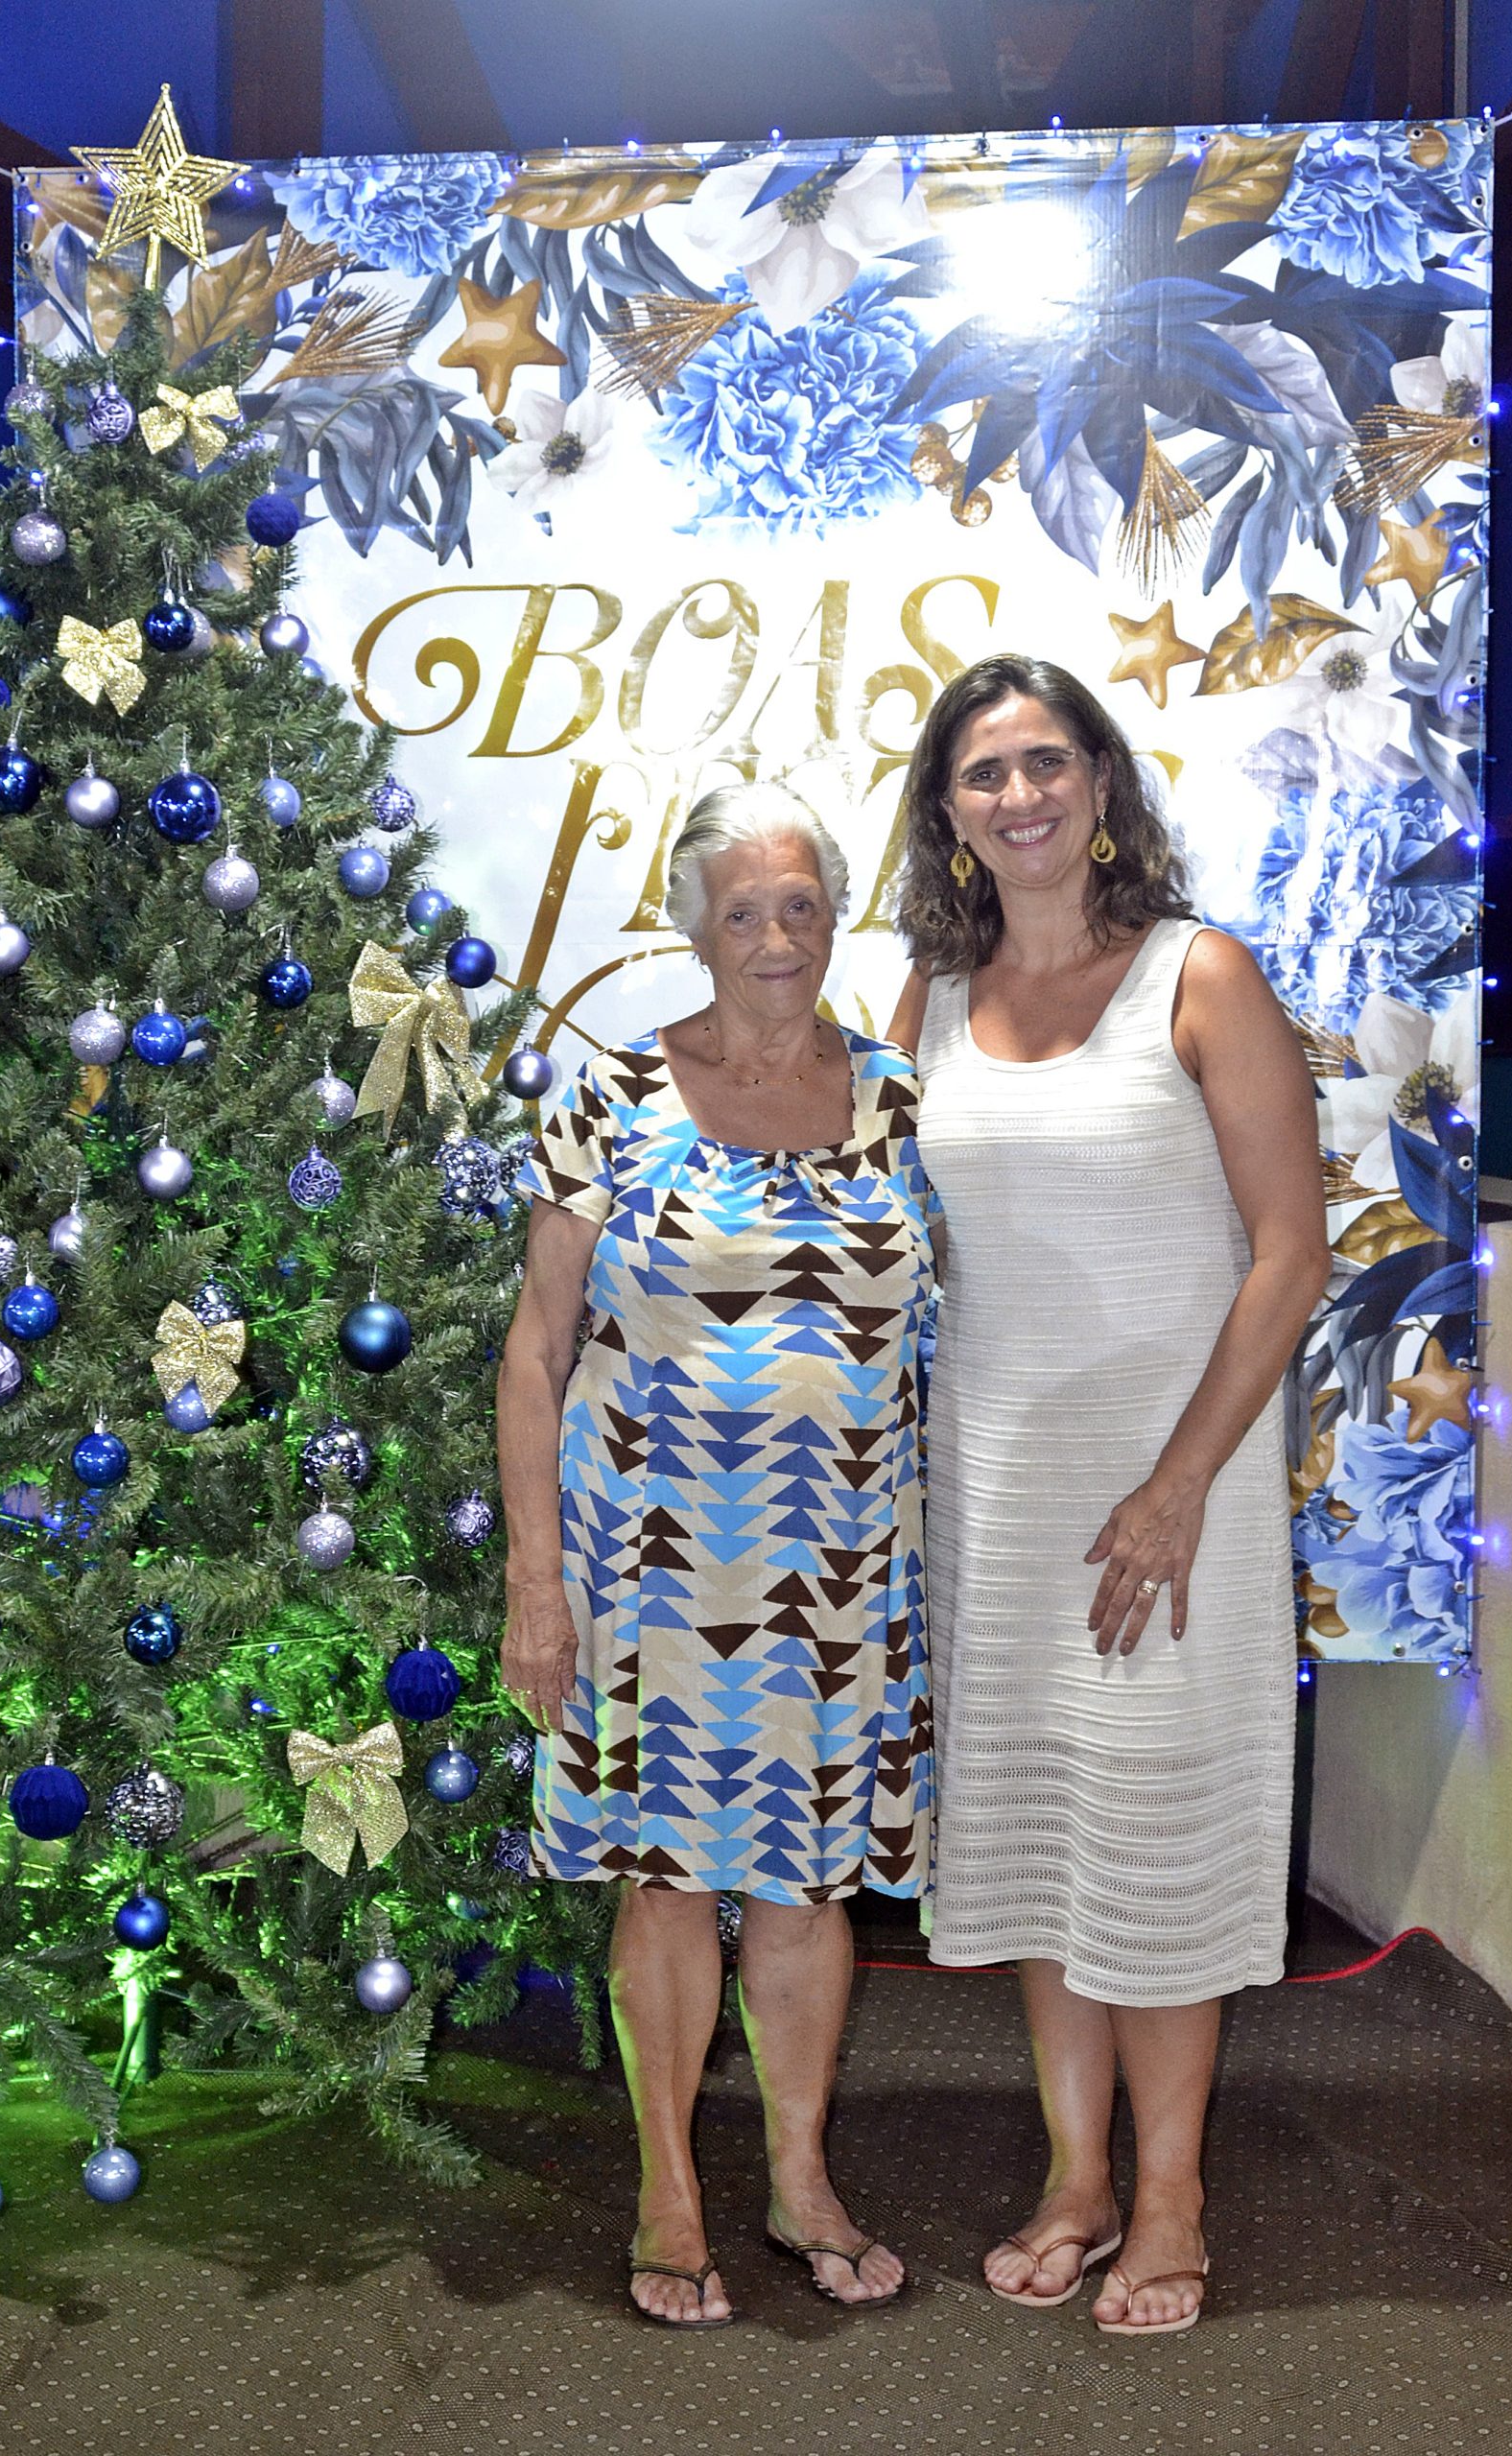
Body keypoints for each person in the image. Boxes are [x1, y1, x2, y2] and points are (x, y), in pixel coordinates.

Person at [888, 653, 1329, 2338]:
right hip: (995, 1495)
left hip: (1172, 1493)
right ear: (948, 811)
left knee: (1151, 1838)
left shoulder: (1196, 977)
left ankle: (1170, 2199)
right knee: (1032, 1834)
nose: (1019, 795)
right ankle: (1076, 2178)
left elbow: (1286, 1258)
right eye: (984, 772)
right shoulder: (930, 997)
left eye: (1046, 761)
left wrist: (1178, 1480)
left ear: (1098, 783)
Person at [499, 782, 938, 2329]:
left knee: (809, 1886)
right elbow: (535, 1353)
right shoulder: (611, 1093)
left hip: (841, 1571)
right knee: (666, 1884)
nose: (773, 937)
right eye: (741, 910)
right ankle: (669, 2190)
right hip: (647, 1569)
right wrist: (535, 1587)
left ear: (834, 918)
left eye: (800, 906)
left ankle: (799, 2180)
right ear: (691, 926)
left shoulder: (898, 1099)